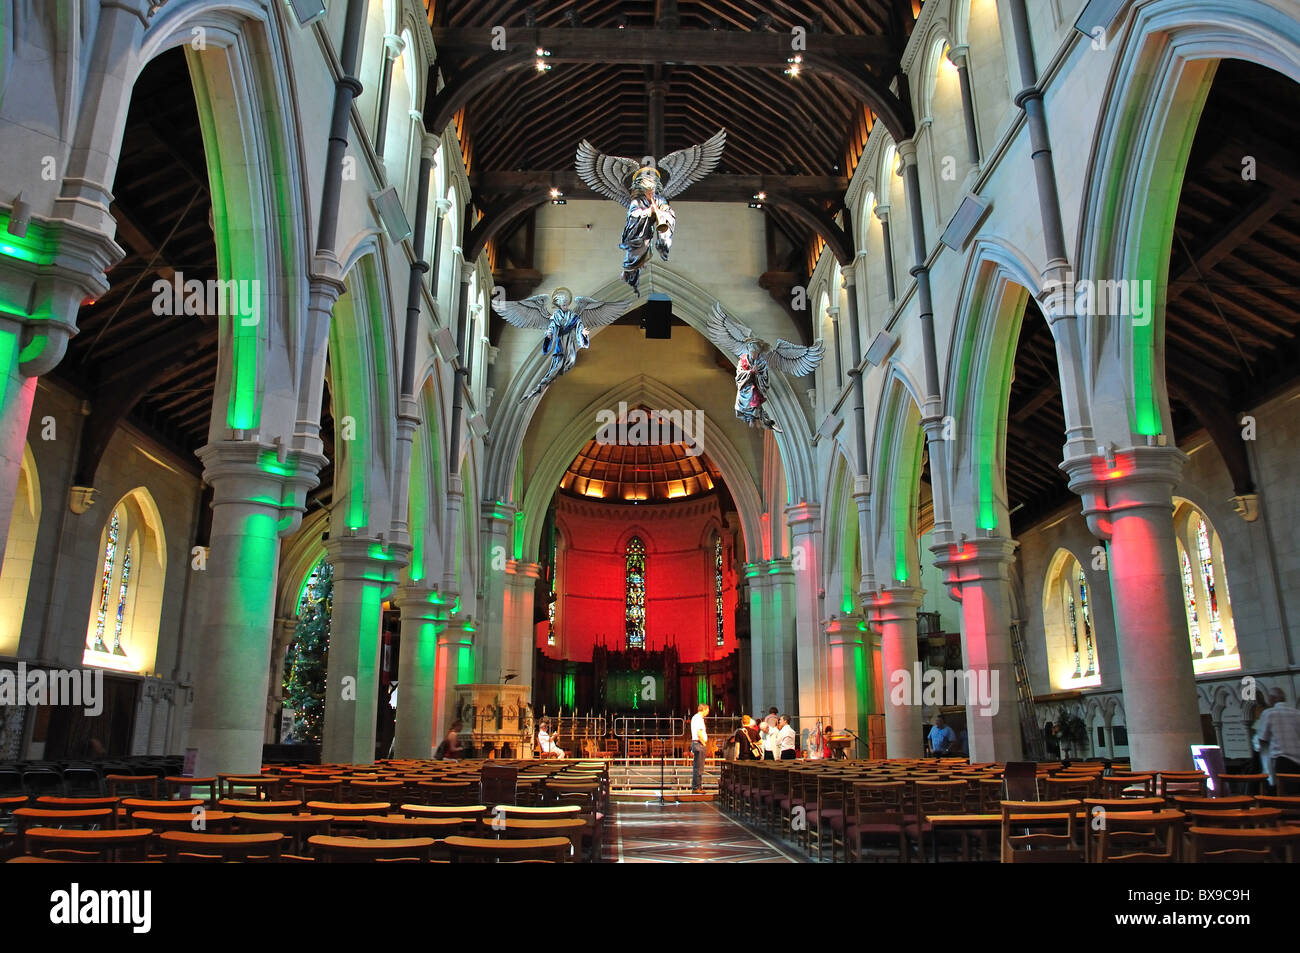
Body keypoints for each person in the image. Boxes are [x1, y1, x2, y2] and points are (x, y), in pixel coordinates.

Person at [1255, 687, 1300, 789]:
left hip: (1282, 759)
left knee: (1284, 793)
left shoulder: (1269, 713)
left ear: (1272, 699)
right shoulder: (1297, 713)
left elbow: (1262, 738)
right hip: (1298, 760)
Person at [690, 704, 710, 792]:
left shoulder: (696, 718)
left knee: (698, 767)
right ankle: (696, 787)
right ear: (704, 709)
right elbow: (699, 733)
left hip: (697, 743)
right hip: (699, 744)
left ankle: (697, 786)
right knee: (699, 767)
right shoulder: (698, 718)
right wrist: (704, 743)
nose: (708, 712)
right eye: (707, 710)